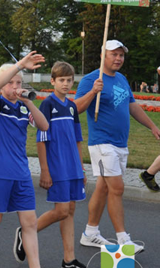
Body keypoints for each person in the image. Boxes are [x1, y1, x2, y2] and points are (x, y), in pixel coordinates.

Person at [75, 40, 160, 254]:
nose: (119, 58)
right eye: (114, 54)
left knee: (104, 187)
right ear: (104, 55)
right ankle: (124, 240)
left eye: (121, 55)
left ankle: (90, 233)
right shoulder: (91, 80)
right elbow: (75, 108)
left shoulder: (121, 78)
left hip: (120, 143)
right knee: (117, 188)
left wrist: (152, 126)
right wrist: (93, 92)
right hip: (103, 143)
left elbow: (132, 106)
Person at [0, 52, 48, 268]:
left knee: (30, 223)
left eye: (19, 82)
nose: (15, 86)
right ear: (3, 84)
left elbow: (44, 126)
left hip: (21, 173)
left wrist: (28, 102)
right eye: (11, 82)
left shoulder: (23, 107)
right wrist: (20, 65)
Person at [29, 62, 88, 268]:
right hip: (57, 166)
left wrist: (81, 168)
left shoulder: (72, 107)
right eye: (61, 80)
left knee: (70, 210)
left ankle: (69, 259)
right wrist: (45, 170)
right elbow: (41, 139)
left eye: (69, 80)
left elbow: (77, 139)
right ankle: (28, 231)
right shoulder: (48, 104)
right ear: (52, 81)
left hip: (72, 166)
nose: (65, 84)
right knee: (61, 210)